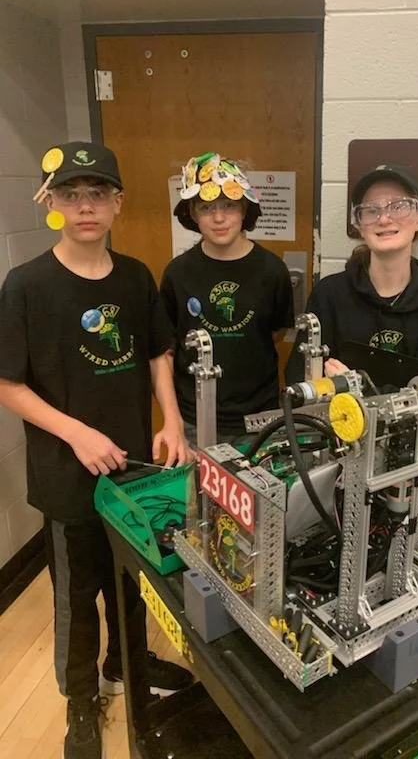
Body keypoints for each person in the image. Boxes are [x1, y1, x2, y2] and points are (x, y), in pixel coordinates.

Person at [0, 141, 194, 759]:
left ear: (117, 203)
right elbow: (7, 384)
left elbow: (158, 352)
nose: (85, 206)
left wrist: (173, 421)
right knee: (78, 598)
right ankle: (80, 700)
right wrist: (77, 433)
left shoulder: (136, 277)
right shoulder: (26, 284)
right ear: (51, 203)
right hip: (66, 475)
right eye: (71, 194)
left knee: (130, 581)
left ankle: (127, 665)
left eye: (97, 194)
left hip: (132, 471)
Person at [285, 163, 418, 418]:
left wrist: (356, 388)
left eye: (398, 206)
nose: (384, 219)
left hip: (410, 440)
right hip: (335, 433)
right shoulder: (329, 295)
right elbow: (299, 380)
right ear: (359, 225)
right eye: (371, 210)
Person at [160, 151, 295, 445]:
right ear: (193, 213)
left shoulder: (272, 270)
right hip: (195, 416)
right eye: (206, 207)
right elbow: (168, 347)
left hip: (260, 416)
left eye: (229, 205)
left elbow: (275, 333)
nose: (219, 217)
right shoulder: (177, 273)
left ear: (244, 208)